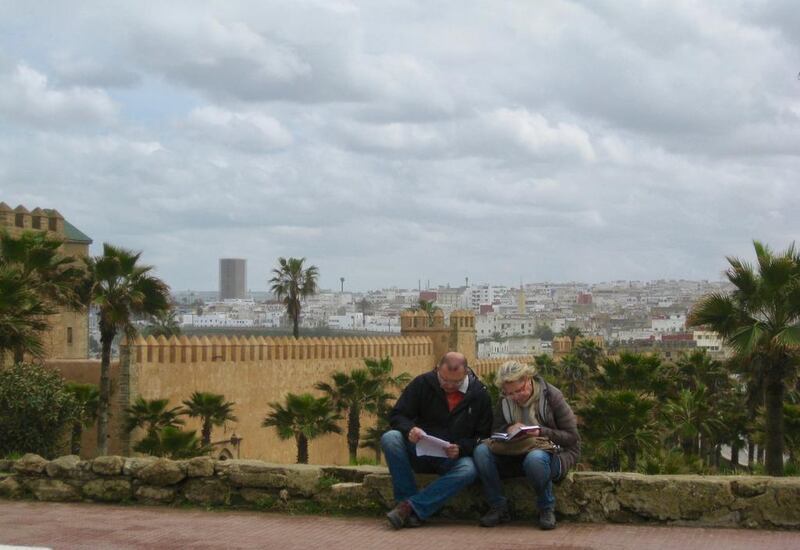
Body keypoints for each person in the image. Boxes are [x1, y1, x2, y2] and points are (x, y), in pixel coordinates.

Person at [381, 351, 493, 529]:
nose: (448, 385)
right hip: (420, 450)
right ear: (437, 370)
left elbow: (484, 436)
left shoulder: (479, 395)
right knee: (390, 438)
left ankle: (409, 508)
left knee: (468, 469)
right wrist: (410, 429)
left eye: (455, 382)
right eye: (444, 380)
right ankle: (406, 500)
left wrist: (461, 448)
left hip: (451, 457)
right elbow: (397, 415)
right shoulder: (423, 384)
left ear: (466, 373)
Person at [473, 360, 580, 530]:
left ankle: (546, 508)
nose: (516, 396)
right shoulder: (504, 400)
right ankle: (498, 507)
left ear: (528, 378)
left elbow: (572, 438)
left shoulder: (552, 396)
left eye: (520, 390)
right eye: (511, 393)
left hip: (552, 454)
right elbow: (494, 432)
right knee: (481, 452)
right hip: (515, 452)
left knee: (535, 459)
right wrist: (509, 429)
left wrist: (539, 431)